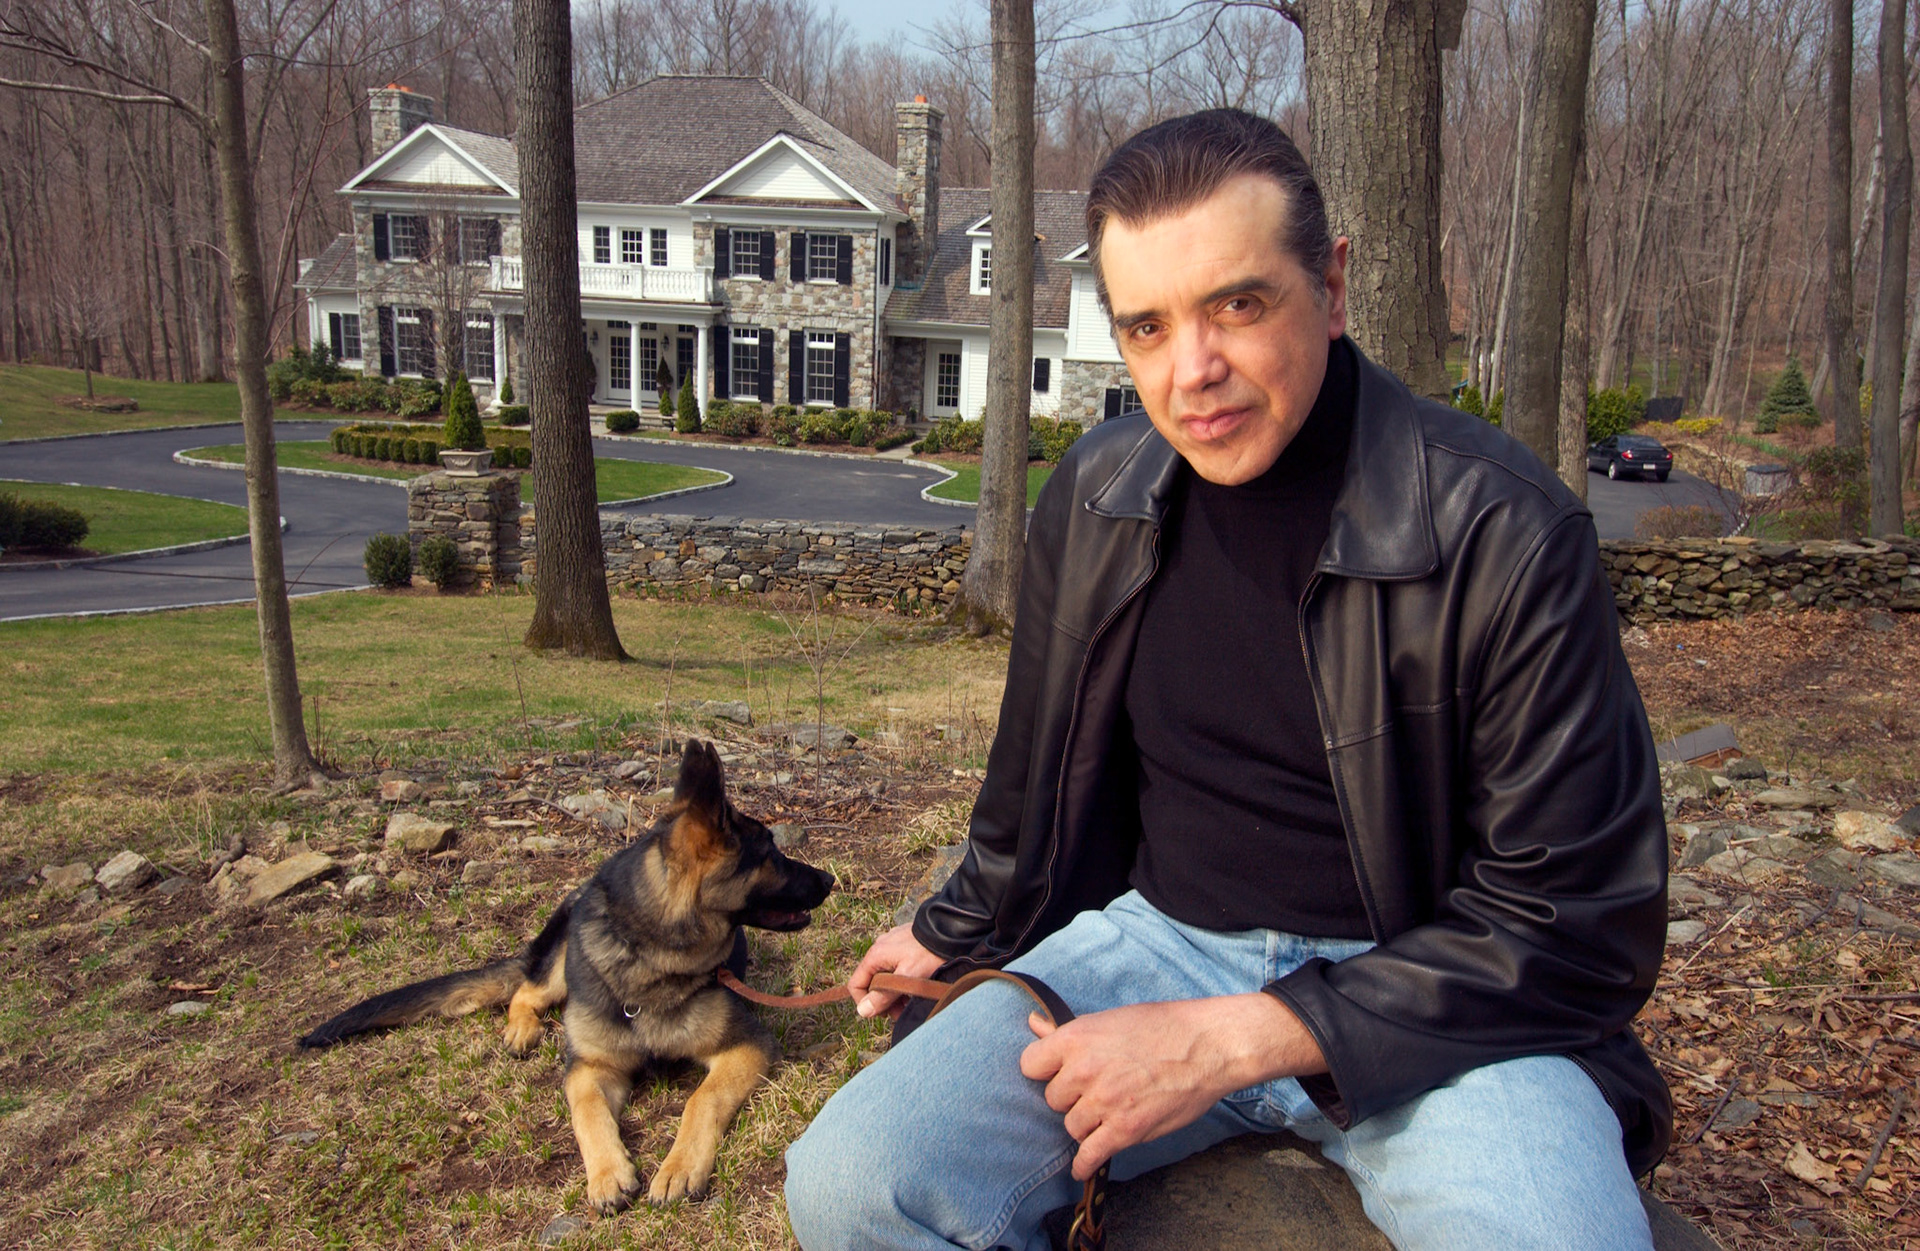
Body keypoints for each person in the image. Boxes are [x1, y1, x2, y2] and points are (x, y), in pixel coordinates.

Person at [784, 108, 1671, 1251]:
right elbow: (1031, 786)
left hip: (1437, 998)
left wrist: (1231, 1042)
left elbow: (1576, 929)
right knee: (856, 1180)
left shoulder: (1504, 531)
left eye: (1238, 305)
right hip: (1154, 949)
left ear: (1334, 286)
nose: (1191, 371)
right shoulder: (1099, 496)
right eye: (1145, 327)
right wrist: (956, 923)